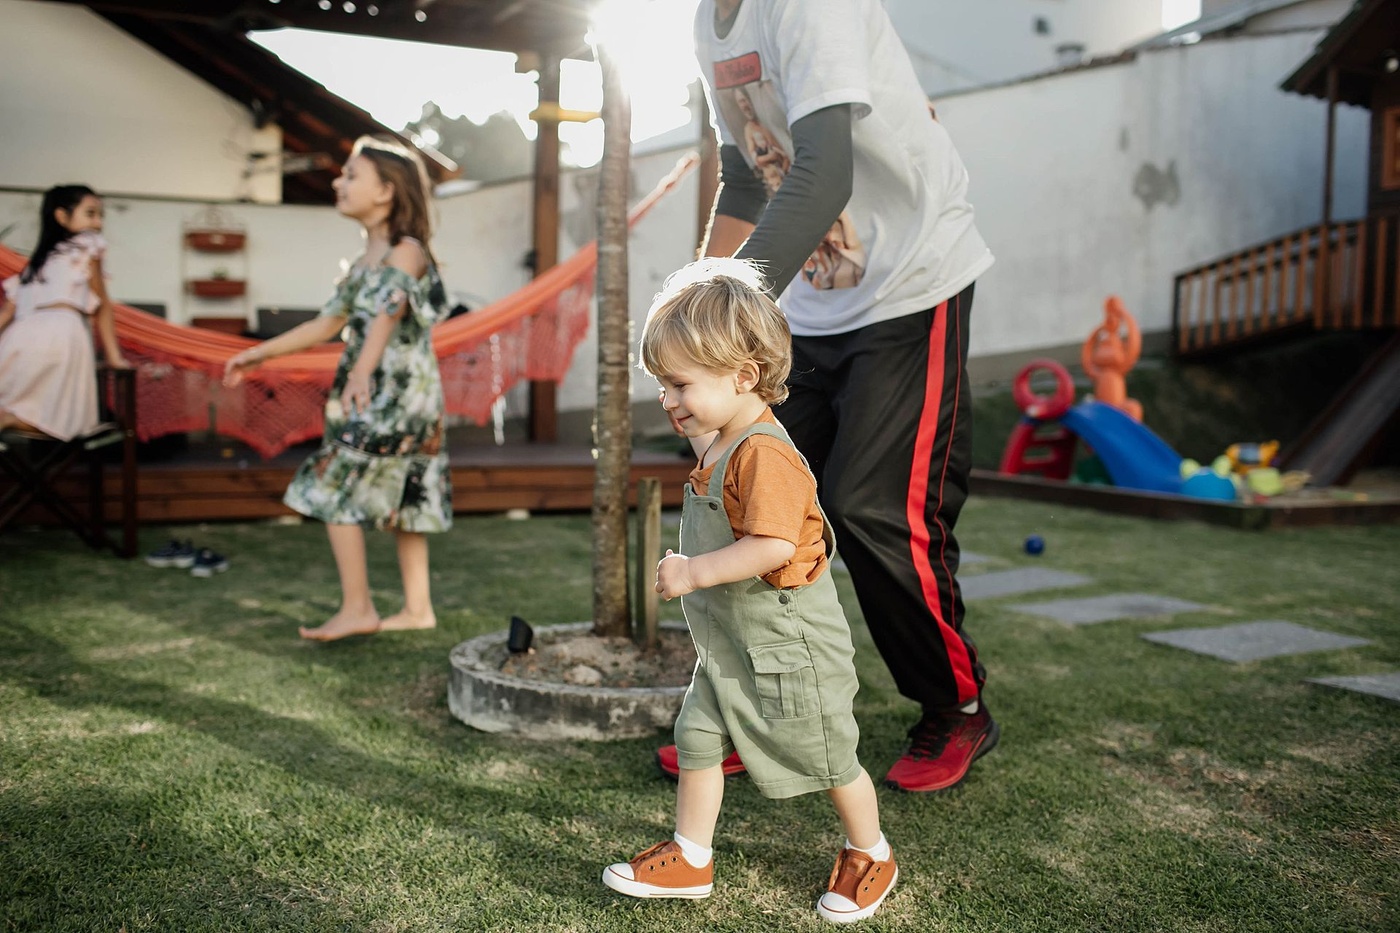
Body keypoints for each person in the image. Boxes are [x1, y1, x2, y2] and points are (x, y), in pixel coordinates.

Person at [653, 0, 999, 794]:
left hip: (911, 279)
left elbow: (824, 170)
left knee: (872, 505)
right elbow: (748, 174)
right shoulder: (708, 23)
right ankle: (754, 714)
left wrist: (723, 305)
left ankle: (955, 704)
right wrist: (695, 302)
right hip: (804, 303)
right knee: (742, 496)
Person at [603, 259, 896, 923]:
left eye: (680, 384)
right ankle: (691, 855)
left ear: (743, 376)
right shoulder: (721, 437)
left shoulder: (763, 453)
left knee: (827, 753)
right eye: (663, 384)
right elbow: (712, 450)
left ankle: (871, 851)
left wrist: (692, 571)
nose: (668, 400)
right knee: (698, 735)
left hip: (788, 646)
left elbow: (774, 547)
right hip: (734, 641)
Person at [223, 137, 452, 642]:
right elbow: (327, 324)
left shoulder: (406, 251)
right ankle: (418, 610)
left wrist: (360, 372)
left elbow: (389, 312)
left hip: (395, 395)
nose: (337, 182)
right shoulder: (363, 261)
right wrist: (258, 354)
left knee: (332, 483)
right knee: (406, 495)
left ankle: (358, 608)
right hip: (382, 391)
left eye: (351, 175)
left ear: (386, 191)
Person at [0, 185, 129, 439]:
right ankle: (9, 419)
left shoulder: (35, 265)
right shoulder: (87, 245)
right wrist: (114, 357)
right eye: (90, 213)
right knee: (69, 422)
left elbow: (6, 314)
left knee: (21, 407)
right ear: (61, 216)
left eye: (100, 215)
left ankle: (8, 419)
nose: (98, 223)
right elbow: (102, 305)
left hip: (18, 339)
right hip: (61, 335)